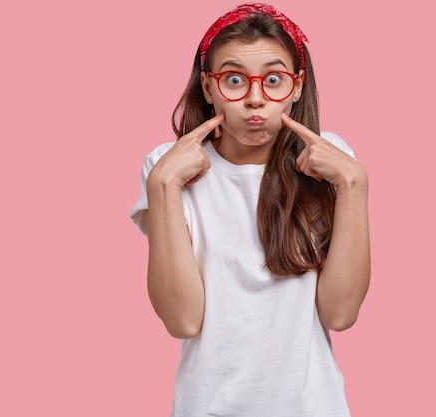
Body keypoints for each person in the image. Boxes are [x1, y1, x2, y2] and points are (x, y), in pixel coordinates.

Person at [130, 3, 370, 416]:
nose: (255, 100)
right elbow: (183, 321)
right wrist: (164, 186)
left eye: (273, 80)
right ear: (208, 87)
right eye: (234, 80)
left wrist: (353, 184)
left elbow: (341, 313)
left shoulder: (332, 162)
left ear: (296, 86)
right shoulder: (165, 167)